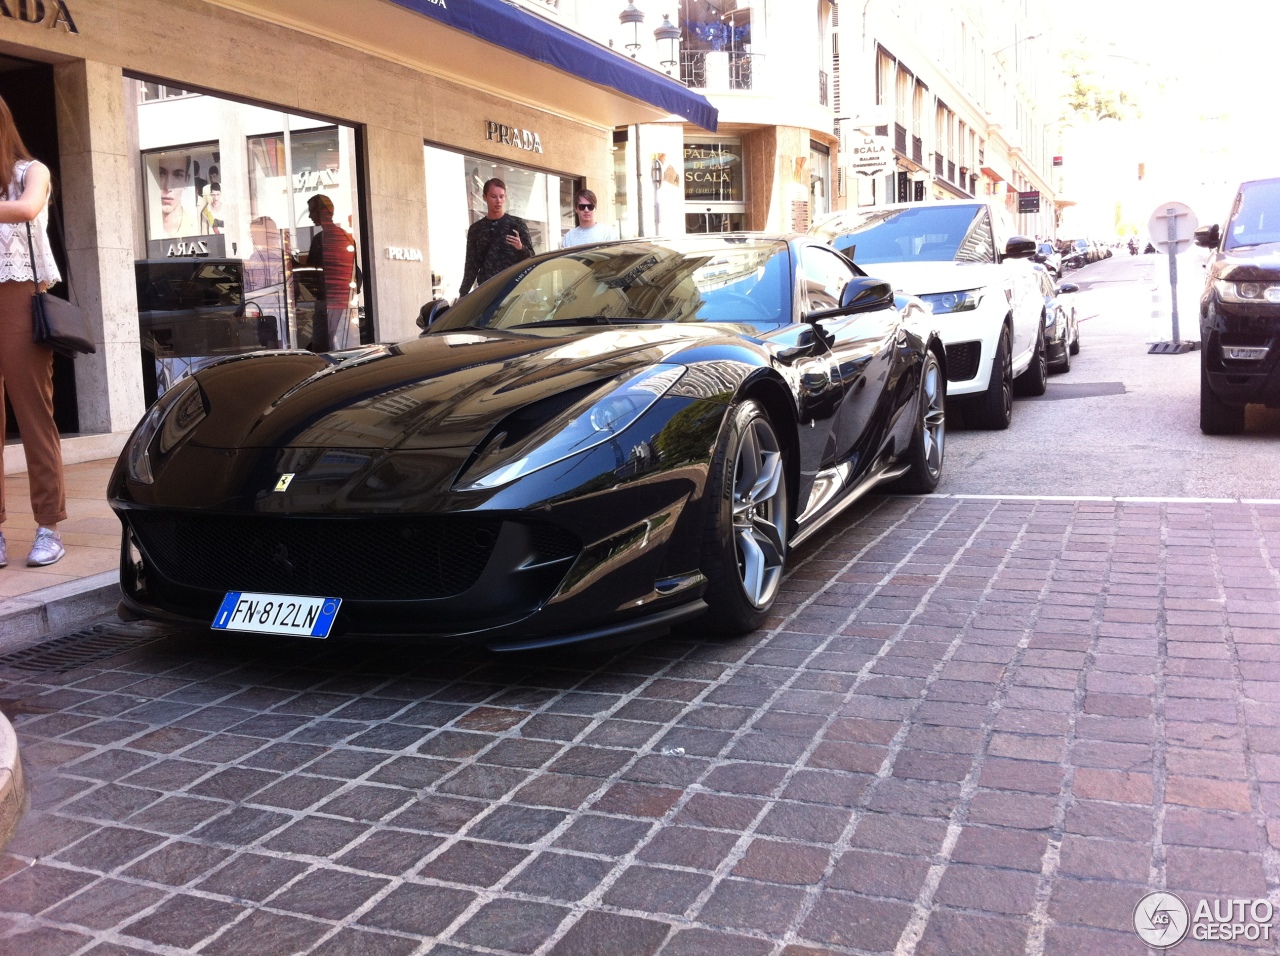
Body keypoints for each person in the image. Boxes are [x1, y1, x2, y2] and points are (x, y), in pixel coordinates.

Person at [0, 95, 68, 568]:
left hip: (19, 297)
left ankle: (49, 526)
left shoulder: (32, 171)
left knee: (34, 414)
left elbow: (26, 210)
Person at [458, 178, 534, 296]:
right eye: (493, 196)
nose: (498, 201)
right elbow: (471, 266)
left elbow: (531, 258)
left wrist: (520, 247)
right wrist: (463, 294)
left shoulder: (517, 224)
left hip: (514, 289)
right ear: (485, 197)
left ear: (505, 198)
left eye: (501, 196)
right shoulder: (476, 229)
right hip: (488, 290)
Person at [303, 194, 358, 351]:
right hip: (342, 301)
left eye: (312, 211)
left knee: (326, 348)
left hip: (330, 301)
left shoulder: (322, 239)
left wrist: (292, 265)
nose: (310, 215)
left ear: (324, 211)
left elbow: (311, 273)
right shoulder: (346, 238)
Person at [155, 153, 197, 239]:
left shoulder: (195, 228)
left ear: (187, 180)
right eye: (161, 173)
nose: (168, 186)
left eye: (177, 175)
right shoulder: (145, 227)